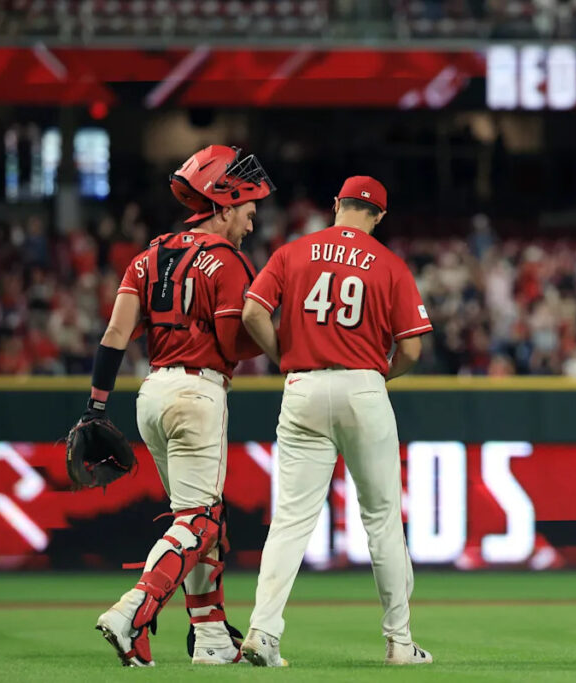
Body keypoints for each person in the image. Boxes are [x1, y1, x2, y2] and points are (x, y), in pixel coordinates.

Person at [89, 145, 274, 666]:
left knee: (194, 521)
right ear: (224, 202)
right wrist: (284, 340)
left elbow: (115, 333)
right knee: (202, 521)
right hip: (198, 392)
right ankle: (133, 612)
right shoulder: (230, 261)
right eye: (247, 208)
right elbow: (234, 339)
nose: (252, 219)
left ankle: (212, 639)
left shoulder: (146, 256)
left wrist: (96, 406)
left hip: (151, 395)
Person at [240, 176, 434, 667]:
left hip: (302, 385)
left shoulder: (293, 252)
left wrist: (285, 355)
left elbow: (252, 313)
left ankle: (263, 632)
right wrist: (380, 374)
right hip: (362, 386)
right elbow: (412, 346)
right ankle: (399, 642)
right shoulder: (389, 264)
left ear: (336, 205)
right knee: (382, 521)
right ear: (380, 216)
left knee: (289, 521)